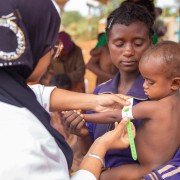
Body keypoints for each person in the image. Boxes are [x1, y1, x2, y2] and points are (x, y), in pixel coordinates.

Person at [0, 0, 134, 179]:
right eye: (51, 48)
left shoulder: (9, 91)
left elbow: (38, 94)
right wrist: (100, 147)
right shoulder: (25, 142)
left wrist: (95, 101)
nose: (52, 56)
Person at [63, 1, 154, 178]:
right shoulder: (100, 93)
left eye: (137, 43)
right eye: (119, 43)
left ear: (150, 42)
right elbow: (90, 151)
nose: (128, 51)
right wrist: (82, 134)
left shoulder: (160, 94)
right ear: (108, 45)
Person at [79, 41, 180, 179]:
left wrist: (83, 117)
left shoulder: (153, 108)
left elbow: (114, 116)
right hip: (165, 169)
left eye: (150, 82)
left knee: (100, 176)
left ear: (175, 83)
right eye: (143, 79)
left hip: (145, 169)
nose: (144, 86)